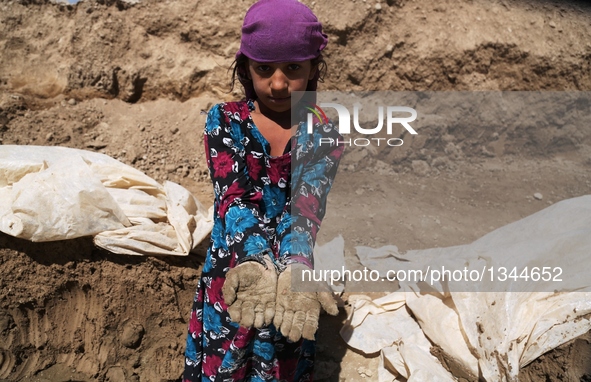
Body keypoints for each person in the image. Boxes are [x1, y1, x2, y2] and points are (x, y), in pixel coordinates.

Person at [183, 0, 344, 380]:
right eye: (263, 68)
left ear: (313, 68)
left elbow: (305, 210)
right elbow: (234, 199)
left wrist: (296, 266)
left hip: (291, 281)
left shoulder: (322, 132)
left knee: (281, 360)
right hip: (238, 271)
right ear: (245, 68)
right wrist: (256, 260)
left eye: (293, 69)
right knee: (226, 362)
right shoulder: (224, 121)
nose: (277, 82)